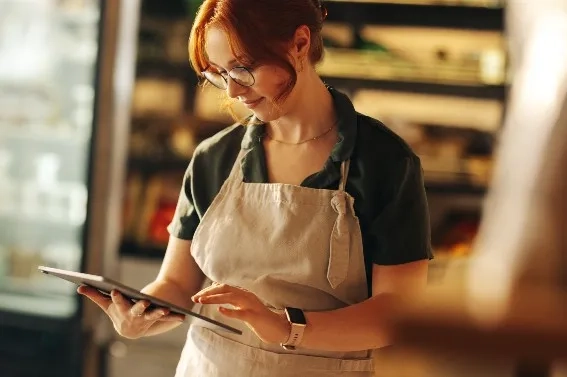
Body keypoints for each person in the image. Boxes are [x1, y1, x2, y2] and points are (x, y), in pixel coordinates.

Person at [78, 0, 433, 375]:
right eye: (218, 73)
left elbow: (395, 313)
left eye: (243, 69)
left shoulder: (385, 163)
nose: (232, 91)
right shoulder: (214, 158)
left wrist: (286, 327)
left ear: (299, 43)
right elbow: (178, 283)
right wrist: (140, 313)